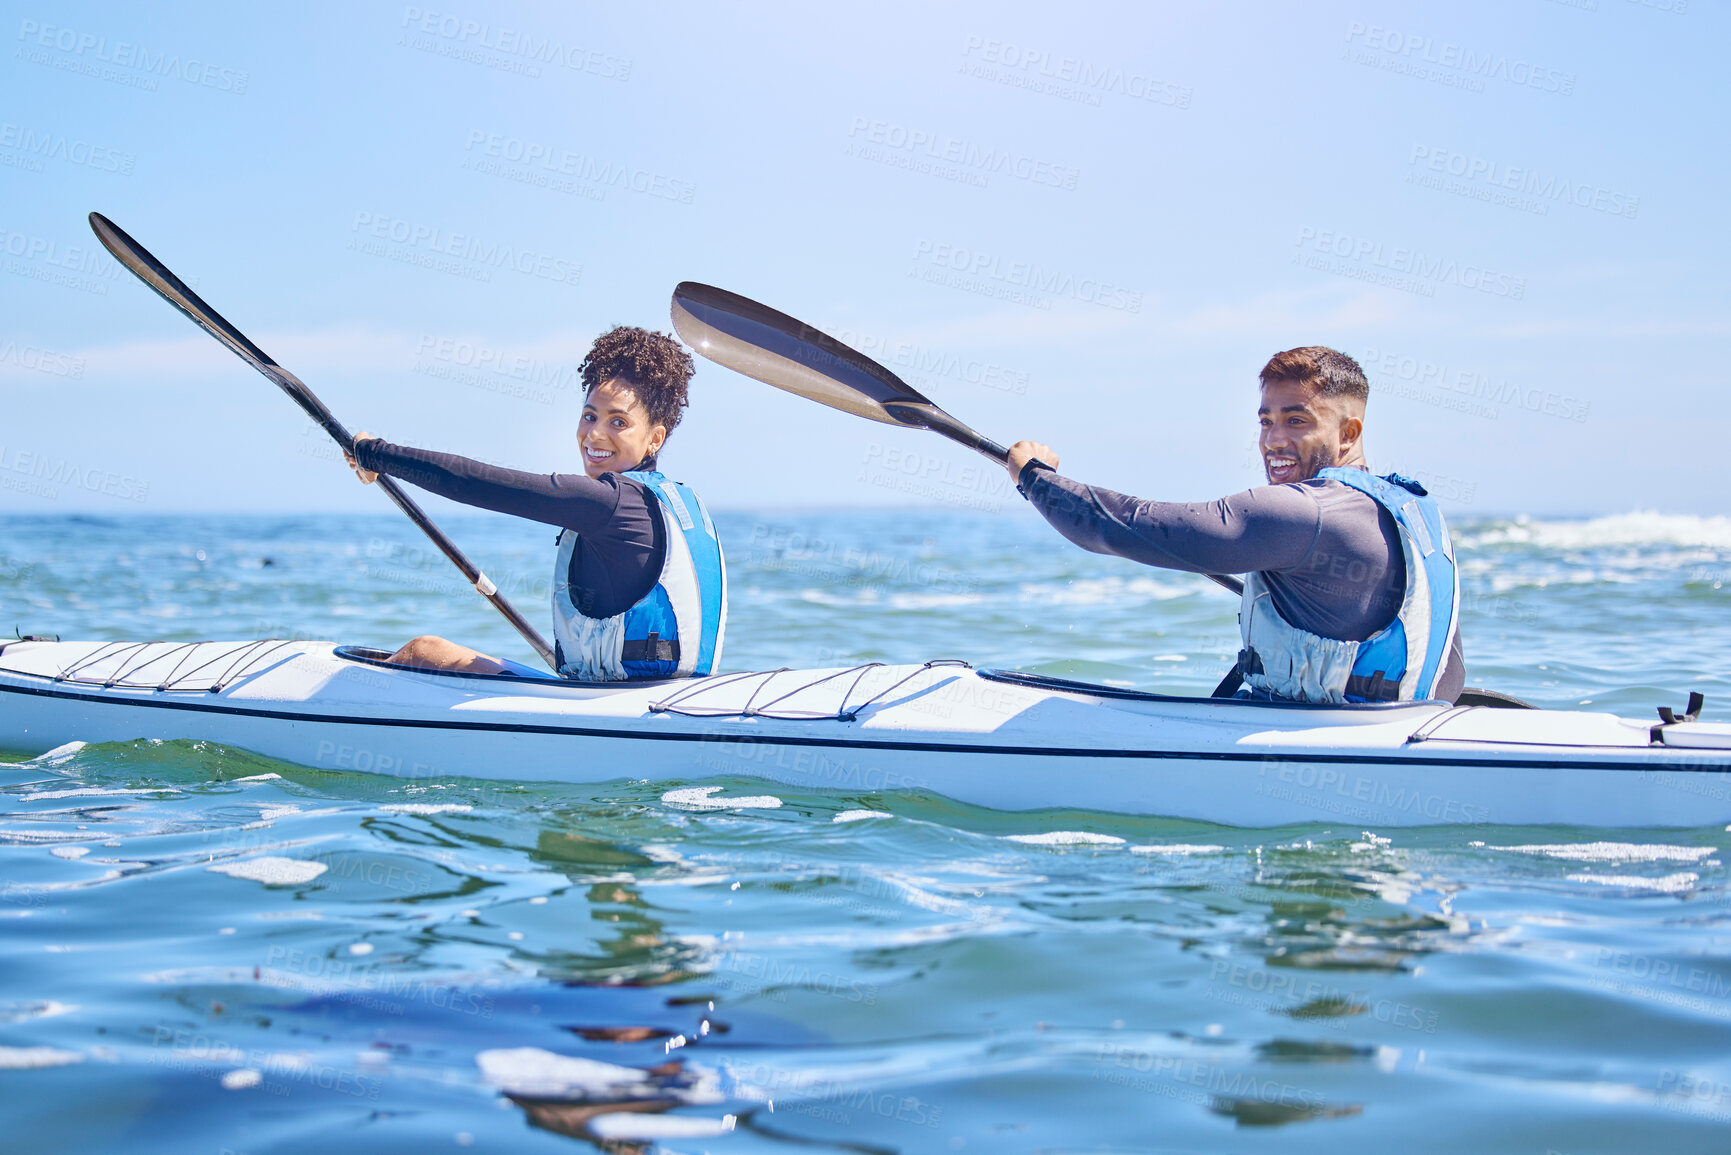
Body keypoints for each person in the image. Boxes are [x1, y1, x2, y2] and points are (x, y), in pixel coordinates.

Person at [1003, 346, 1464, 704]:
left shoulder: (1303, 514)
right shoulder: (1414, 512)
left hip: (1325, 746)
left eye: (1296, 421)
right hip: (1407, 725)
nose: (1273, 440)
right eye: (1266, 422)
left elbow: (1123, 526)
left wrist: (1035, 477)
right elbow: (1452, 669)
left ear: (1349, 434)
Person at [343, 326, 726, 682]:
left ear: (655, 438)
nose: (594, 433)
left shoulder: (611, 504)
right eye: (589, 416)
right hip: (670, 698)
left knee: (421, 652)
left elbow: (479, 483)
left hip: (614, 708)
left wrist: (375, 454)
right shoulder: (680, 504)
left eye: (618, 422)